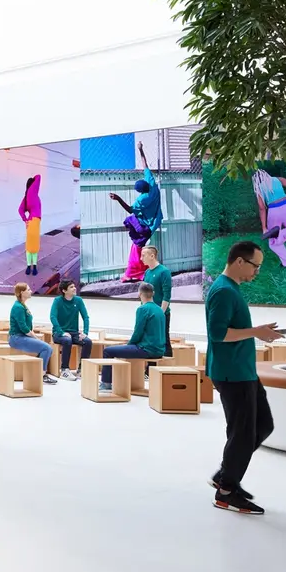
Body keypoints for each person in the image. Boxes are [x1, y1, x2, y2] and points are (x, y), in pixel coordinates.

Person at [207, 241, 283, 516]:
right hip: (232, 373)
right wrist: (255, 332)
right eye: (255, 266)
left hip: (243, 371)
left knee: (263, 425)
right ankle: (226, 492)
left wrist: (257, 331)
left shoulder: (232, 290)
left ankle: (225, 475)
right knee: (242, 434)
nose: (257, 272)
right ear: (240, 261)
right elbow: (218, 333)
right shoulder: (224, 292)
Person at [109, 142, 163, 281]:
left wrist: (118, 198)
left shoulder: (142, 200)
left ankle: (134, 273)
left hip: (147, 226)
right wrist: (141, 149)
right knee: (137, 247)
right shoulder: (152, 184)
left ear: (140, 191)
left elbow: (129, 209)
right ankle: (141, 272)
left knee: (136, 247)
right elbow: (145, 165)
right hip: (155, 221)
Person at [100, 282, 165, 389]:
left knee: (108, 351)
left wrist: (129, 345)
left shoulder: (142, 309)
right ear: (153, 293)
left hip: (147, 350)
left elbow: (138, 332)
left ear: (139, 294)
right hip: (159, 350)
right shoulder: (160, 310)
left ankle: (106, 384)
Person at [252, 169, 286, 268]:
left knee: (273, 243)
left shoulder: (258, 188)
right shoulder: (278, 179)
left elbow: (262, 208)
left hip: (273, 212)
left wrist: (264, 228)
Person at [7, 283, 57, 386]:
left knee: (48, 348)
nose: (31, 291)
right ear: (22, 292)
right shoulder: (18, 307)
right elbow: (24, 328)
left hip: (22, 336)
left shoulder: (22, 305)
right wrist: (36, 337)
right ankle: (42, 375)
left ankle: (37, 372)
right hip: (17, 338)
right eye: (28, 289)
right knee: (46, 348)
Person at [50, 280, 92, 380]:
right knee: (67, 340)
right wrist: (61, 332)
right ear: (64, 290)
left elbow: (85, 317)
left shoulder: (78, 300)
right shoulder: (57, 301)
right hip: (58, 333)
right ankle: (64, 370)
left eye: (74, 286)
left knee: (87, 342)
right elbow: (53, 317)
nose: (75, 288)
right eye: (71, 287)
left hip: (74, 332)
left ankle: (82, 369)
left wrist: (85, 332)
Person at [141, 245, 174, 354]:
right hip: (147, 313)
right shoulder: (147, 273)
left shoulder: (164, 272)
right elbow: (143, 294)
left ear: (152, 256)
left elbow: (166, 295)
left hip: (160, 314)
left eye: (143, 255)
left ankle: (168, 367)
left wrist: (160, 313)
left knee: (164, 340)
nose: (141, 258)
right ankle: (150, 368)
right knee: (149, 342)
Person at [18, 174, 42, 276]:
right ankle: (35, 268)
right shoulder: (33, 192)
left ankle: (28, 267)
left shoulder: (26, 196)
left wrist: (25, 219)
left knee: (29, 246)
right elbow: (39, 176)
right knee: (34, 246)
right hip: (35, 222)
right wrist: (32, 180)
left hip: (30, 222)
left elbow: (20, 210)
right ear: (33, 185)